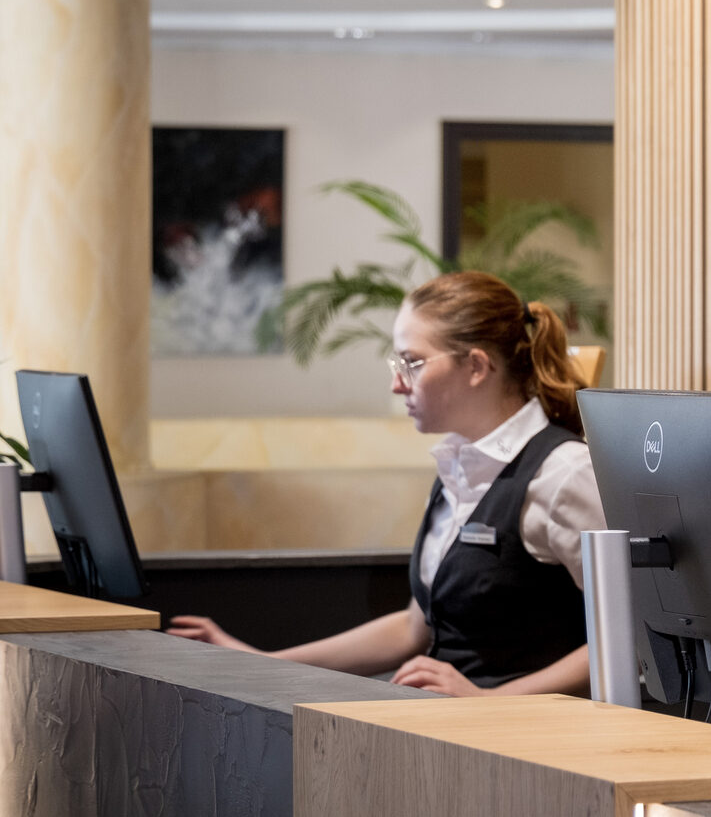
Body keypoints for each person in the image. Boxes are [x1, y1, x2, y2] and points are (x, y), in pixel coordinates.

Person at [168, 271, 606, 697]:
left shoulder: (564, 473)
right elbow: (414, 628)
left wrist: (494, 702)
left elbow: (625, 630)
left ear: (476, 366)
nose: (397, 385)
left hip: (523, 732)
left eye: (412, 363)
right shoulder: (459, 463)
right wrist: (264, 663)